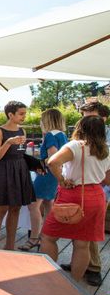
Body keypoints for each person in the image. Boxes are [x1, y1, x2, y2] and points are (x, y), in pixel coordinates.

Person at [40, 116, 110, 282]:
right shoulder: (106, 150)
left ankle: (51, 278)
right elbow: (107, 179)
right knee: (82, 244)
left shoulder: (76, 146)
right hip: (96, 196)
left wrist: (62, 180)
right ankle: (75, 283)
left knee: (48, 237)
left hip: (73, 195)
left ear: (81, 127)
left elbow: (52, 162)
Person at [61, 101, 110, 285]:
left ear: (102, 116)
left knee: (89, 231)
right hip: (92, 187)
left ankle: (94, 268)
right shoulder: (90, 136)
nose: (84, 119)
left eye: (88, 115)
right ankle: (81, 263)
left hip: (98, 188)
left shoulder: (103, 136)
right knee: (83, 230)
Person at [0, 101, 35, 250]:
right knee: (1, 209)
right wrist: (8, 143)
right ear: (10, 114)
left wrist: (36, 166)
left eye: (25, 113)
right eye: (21, 114)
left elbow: (22, 154)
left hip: (20, 170)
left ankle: (10, 246)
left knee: (16, 208)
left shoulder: (22, 131)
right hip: (4, 170)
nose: (24, 116)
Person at [23, 109, 68, 252]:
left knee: (33, 205)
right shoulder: (62, 135)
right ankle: (45, 236)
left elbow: (52, 158)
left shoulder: (50, 135)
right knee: (49, 205)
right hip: (56, 175)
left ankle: (34, 238)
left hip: (46, 174)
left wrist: (36, 163)